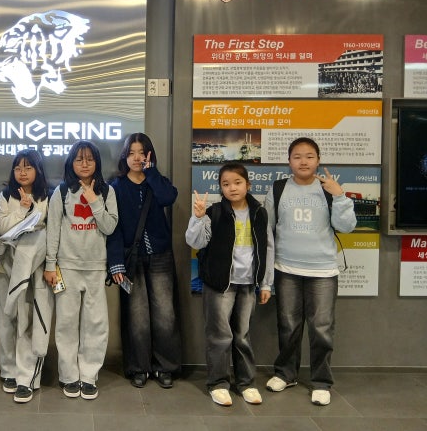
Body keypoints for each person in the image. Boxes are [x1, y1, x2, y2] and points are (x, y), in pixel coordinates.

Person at [264, 137, 356, 407]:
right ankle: (286, 373)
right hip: (286, 268)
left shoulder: (329, 189)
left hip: (323, 271)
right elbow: (267, 230)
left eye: (309, 156)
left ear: (318, 160)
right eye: (297, 156)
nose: (303, 161)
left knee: (322, 328)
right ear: (289, 161)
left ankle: (321, 382)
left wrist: (339, 195)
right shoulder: (278, 188)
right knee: (288, 325)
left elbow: (347, 226)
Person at [185, 162, 273, 406]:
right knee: (219, 336)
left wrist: (266, 283)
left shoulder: (259, 213)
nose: (232, 188)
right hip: (219, 284)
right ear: (220, 188)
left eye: (237, 182)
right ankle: (218, 383)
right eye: (226, 184)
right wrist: (198, 217)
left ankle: (246, 383)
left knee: (242, 335)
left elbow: (268, 248)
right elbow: (195, 242)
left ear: (248, 185)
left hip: (248, 284)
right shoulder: (214, 212)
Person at [44, 140, 118, 400]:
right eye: (79, 159)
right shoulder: (62, 191)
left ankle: (89, 375)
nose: (84, 164)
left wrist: (94, 201)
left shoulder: (107, 192)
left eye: (89, 159)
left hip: (96, 267)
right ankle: (69, 376)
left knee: (96, 324)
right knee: (66, 324)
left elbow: (109, 227)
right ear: (71, 163)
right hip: (67, 267)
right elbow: (53, 230)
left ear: (97, 162)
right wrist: (50, 264)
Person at [106, 133, 181, 389]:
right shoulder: (116, 187)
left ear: (149, 155)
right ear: (124, 156)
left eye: (142, 152)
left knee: (165, 314)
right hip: (132, 260)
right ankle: (138, 367)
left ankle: (165, 367)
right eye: (131, 153)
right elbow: (113, 228)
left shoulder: (157, 181)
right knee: (136, 317)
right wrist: (115, 261)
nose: (137, 158)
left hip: (160, 256)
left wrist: (151, 173)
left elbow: (168, 198)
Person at [0, 149, 51, 404]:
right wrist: (22, 212)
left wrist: (30, 211)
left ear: (37, 170)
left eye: (28, 168)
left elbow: (46, 226)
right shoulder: (6, 195)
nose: (22, 173)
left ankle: (27, 377)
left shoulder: (47, 195)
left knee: (30, 320)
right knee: (6, 318)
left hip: (35, 267)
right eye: (18, 168)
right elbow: (1, 226)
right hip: (7, 264)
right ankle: (9, 370)